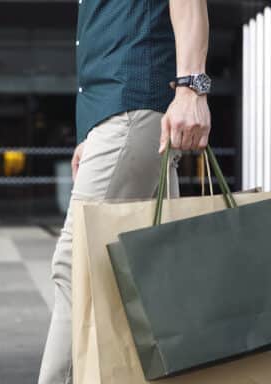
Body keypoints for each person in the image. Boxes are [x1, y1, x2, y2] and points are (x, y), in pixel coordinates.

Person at [38, 1, 212, 383]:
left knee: (76, 266)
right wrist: (93, 131)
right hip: (117, 114)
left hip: (132, 106)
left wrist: (191, 89)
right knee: (145, 274)